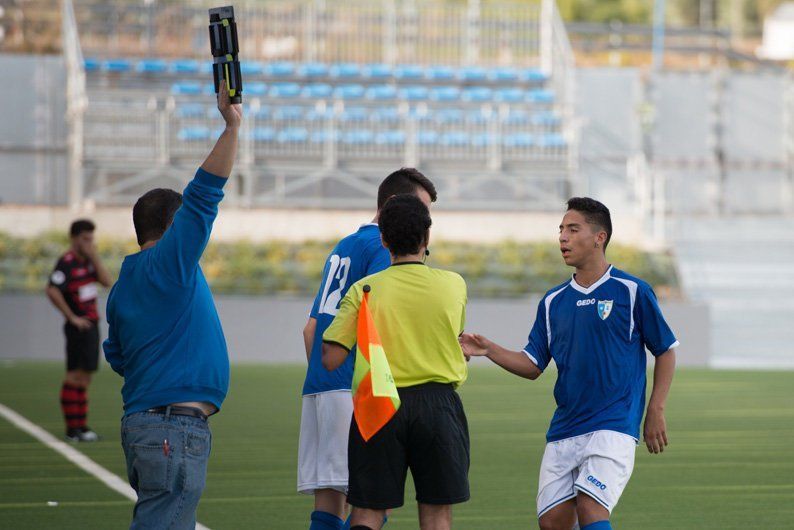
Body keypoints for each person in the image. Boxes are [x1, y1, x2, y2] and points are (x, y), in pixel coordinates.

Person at [460, 197, 677, 530]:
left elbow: (665, 350)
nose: (562, 237)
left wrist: (656, 409)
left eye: (573, 229)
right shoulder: (552, 301)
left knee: (592, 507)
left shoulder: (632, 290)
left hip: (613, 424)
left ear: (599, 237)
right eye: (561, 230)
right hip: (565, 427)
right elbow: (532, 364)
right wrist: (489, 349)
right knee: (553, 522)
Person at [102, 80, 241, 529]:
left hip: (147, 424)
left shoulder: (124, 283)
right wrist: (232, 127)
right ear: (174, 225)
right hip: (171, 429)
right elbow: (204, 195)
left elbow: (119, 356)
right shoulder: (170, 263)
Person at [299, 169, 437, 530]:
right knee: (375, 502)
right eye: (419, 209)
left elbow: (311, 329)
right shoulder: (382, 246)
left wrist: (326, 378)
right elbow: (385, 316)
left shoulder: (344, 245)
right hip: (357, 389)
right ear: (393, 206)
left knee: (329, 504)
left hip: (321, 386)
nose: (424, 222)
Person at [322, 194, 470, 530]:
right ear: (427, 237)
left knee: (366, 512)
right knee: (436, 513)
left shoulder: (364, 288)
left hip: (380, 404)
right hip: (439, 405)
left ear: (384, 239)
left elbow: (331, 358)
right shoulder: (454, 285)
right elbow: (453, 338)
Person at [46, 219, 112, 442]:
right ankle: (72, 428)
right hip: (78, 327)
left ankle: (81, 427)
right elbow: (52, 290)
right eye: (85, 239)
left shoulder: (89, 262)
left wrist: (94, 255)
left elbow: (106, 281)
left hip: (92, 325)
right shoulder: (67, 262)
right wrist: (71, 317)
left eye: (91, 238)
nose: (89, 243)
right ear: (74, 238)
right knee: (74, 376)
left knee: (85, 377)